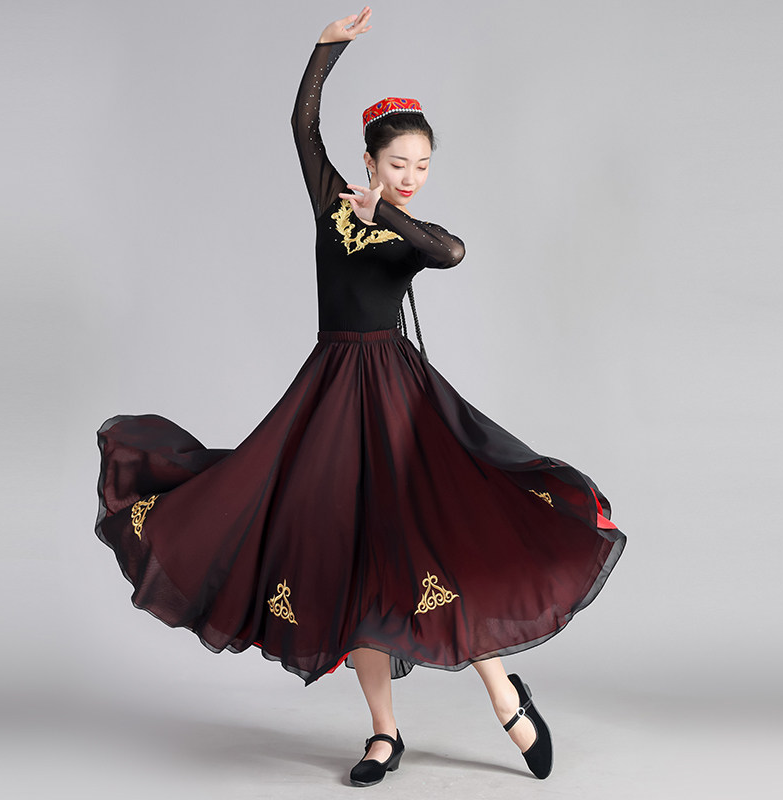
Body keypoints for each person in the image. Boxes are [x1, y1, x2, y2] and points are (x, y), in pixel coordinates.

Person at [94, 6, 626, 789]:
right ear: (369, 159)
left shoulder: (409, 228)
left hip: (399, 402)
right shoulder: (330, 202)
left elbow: (452, 251)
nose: (410, 174)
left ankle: (508, 701)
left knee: (439, 547)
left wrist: (392, 214)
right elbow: (301, 124)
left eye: (422, 165)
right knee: (351, 559)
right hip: (331, 397)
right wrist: (325, 49)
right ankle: (383, 732)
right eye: (398, 162)